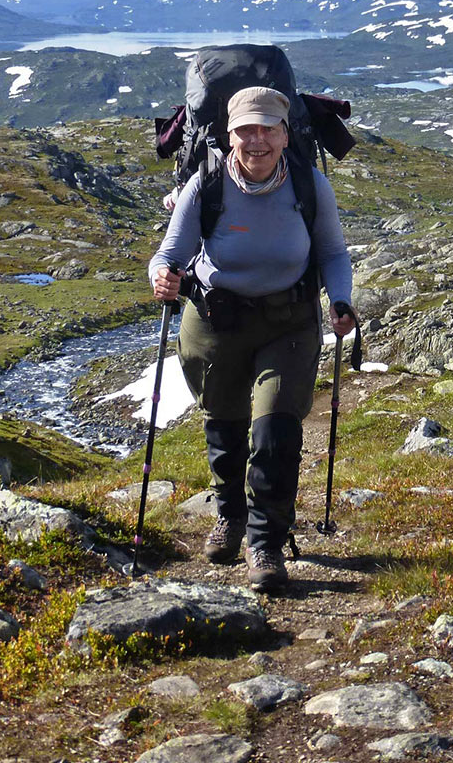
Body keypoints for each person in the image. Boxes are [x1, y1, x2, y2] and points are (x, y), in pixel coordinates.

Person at [150, 86, 354, 593]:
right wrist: (162, 276)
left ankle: (265, 542)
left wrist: (340, 299)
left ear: (286, 134)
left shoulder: (309, 186)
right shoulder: (207, 185)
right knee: (224, 427)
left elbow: (332, 252)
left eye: (268, 129)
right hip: (216, 321)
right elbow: (170, 252)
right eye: (246, 130)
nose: (257, 140)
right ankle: (230, 516)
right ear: (229, 135)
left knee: (276, 433)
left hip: (289, 322)